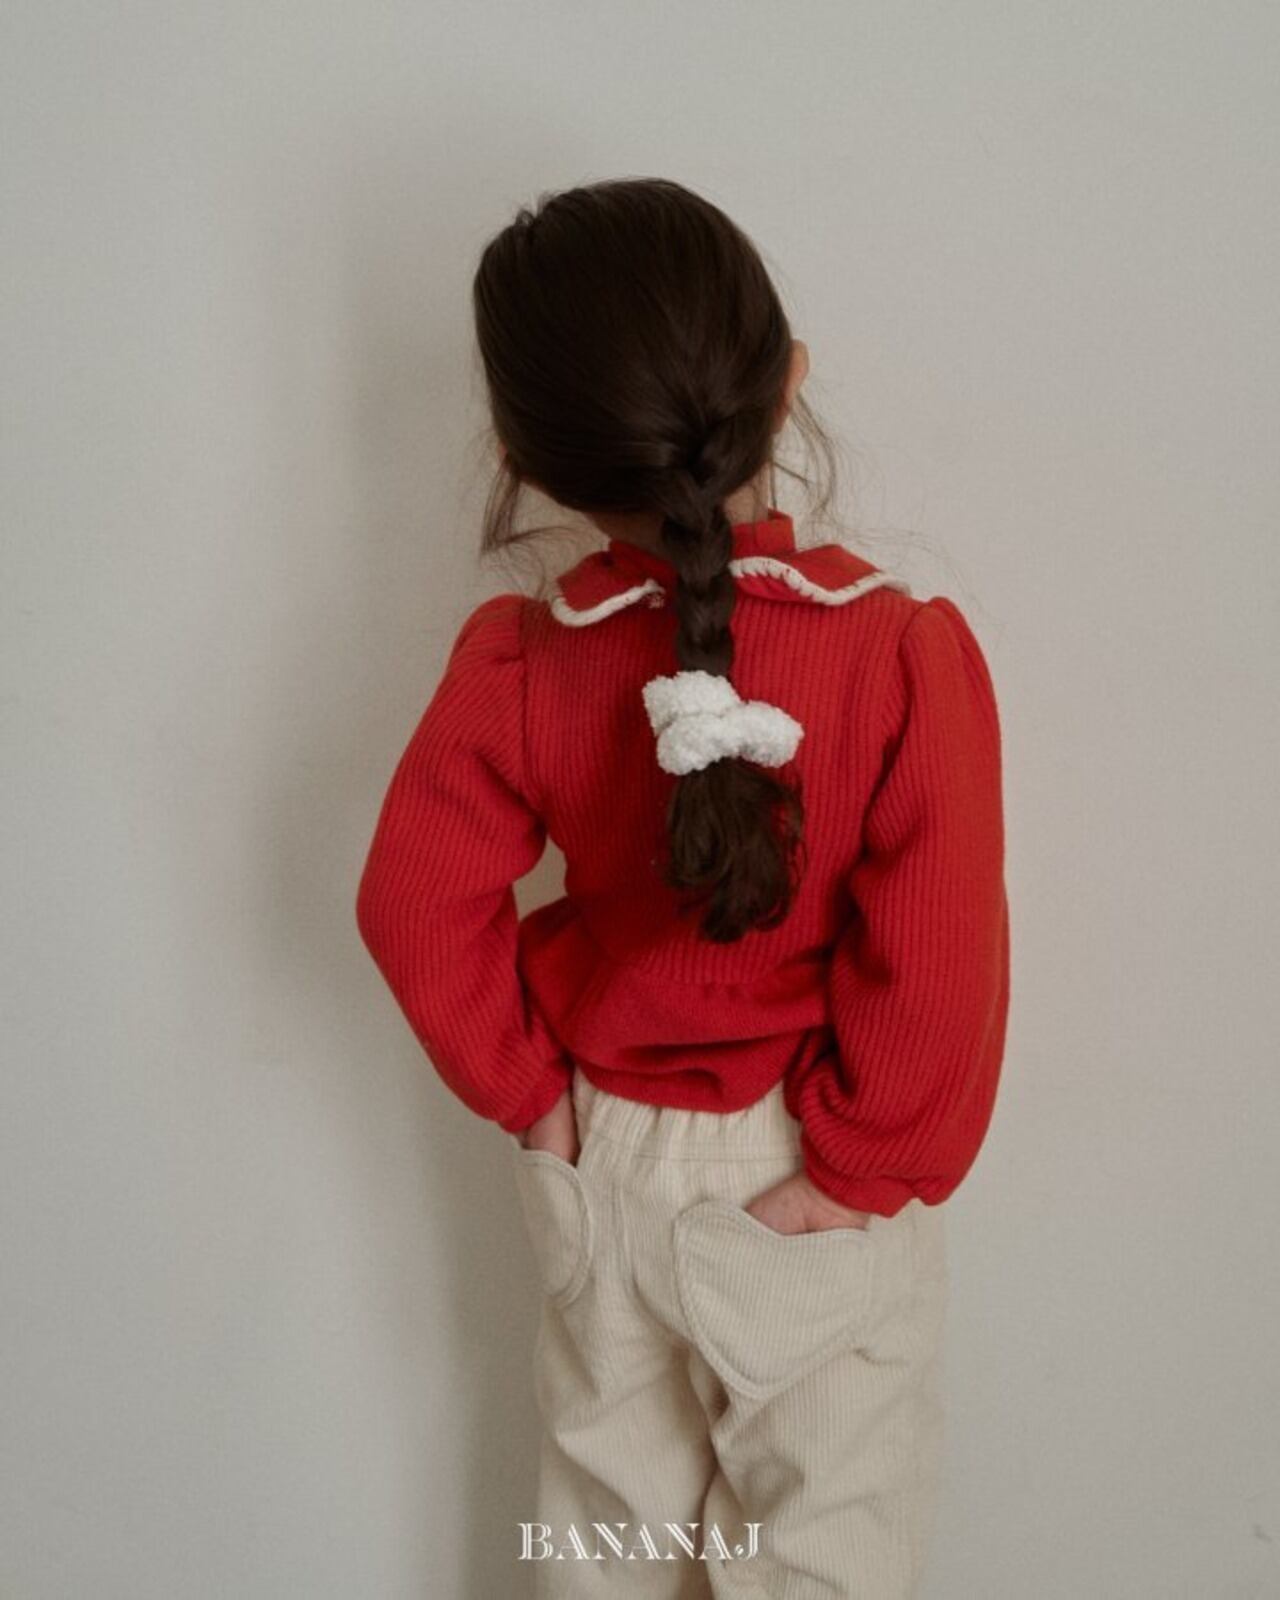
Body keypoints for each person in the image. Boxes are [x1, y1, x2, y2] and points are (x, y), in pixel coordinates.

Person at [355, 176, 1010, 1599]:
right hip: (808, 1165)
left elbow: (413, 901)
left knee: (600, 1553)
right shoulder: (897, 656)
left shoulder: (525, 662)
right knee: (825, 1563)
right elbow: (940, 952)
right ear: (791, 383)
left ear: (530, 464)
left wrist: (536, 1096)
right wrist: (859, 1170)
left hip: (608, 1159)